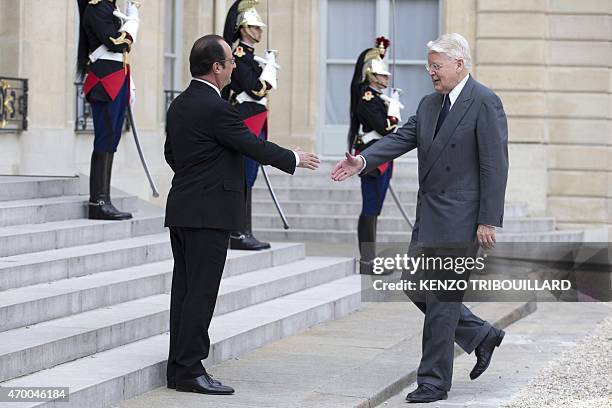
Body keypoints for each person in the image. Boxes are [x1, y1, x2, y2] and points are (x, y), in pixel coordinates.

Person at [331, 33, 509, 403]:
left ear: (459, 65)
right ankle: (481, 335)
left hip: (462, 218)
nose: (430, 71)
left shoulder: (485, 101)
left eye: (436, 65)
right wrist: (362, 161)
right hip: (429, 215)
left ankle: (433, 381)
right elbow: (400, 139)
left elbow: (495, 165)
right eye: (429, 65)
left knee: (442, 302)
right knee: (415, 285)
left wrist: (488, 220)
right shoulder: (429, 105)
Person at [164, 34, 319, 395]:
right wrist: (292, 158)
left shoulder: (180, 104)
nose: (235, 66)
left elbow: (172, 154)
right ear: (216, 67)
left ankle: (179, 366)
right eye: (231, 61)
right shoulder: (216, 108)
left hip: (184, 208)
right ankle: (189, 369)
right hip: (210, 212)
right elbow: (250, 143)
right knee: (200, 294)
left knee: (185, 292)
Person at [222, 0, 280, 250]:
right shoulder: (239, 56)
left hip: (255, 120)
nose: (260, 32)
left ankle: (245, 229)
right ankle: (237, 232)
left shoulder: (251, 58)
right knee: (243, 177)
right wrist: (268, 71)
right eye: (255, 28)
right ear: (243, 29)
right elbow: (256, 90)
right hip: (245, 118)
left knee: (249, 177)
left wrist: (265, 66)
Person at [76, 0, 140, 220]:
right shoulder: (96, 8)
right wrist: (133, 21)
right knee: (105, 138)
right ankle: (98, 201)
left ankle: (104, 198)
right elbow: (116, 42)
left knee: (111, 138)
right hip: (105, 82)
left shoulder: (109, 8)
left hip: (115, 79)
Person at [347, 36, 403, 275]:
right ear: (371, 75)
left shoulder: (380, 98)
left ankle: (370, 258)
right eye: (382, 75)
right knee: (370, 207)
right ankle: (367, 261)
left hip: (382, 156)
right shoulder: (367, 99)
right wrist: (392, 114)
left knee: (376, 208)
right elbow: (384, 127)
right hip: (370, 157)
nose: (386, 78)